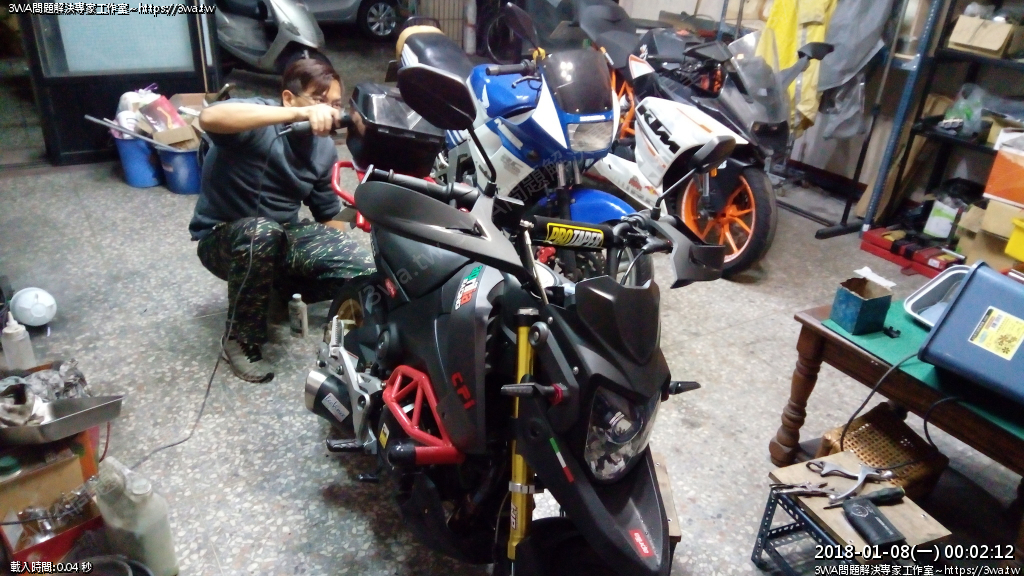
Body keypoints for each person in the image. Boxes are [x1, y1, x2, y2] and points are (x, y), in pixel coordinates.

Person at [189, 58, 373, 383]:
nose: (328, 112)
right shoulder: (258, 123)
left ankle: (275, 291)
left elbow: (328, 215)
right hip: (224, 238)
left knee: (366, 271)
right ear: (288, 98)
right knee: (263, 233)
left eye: (334, 104)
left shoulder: (324, 149)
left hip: (283, 235)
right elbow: (210, 117)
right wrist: (299, 114)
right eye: (319, 100)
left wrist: (353, 236)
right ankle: (239, 338)